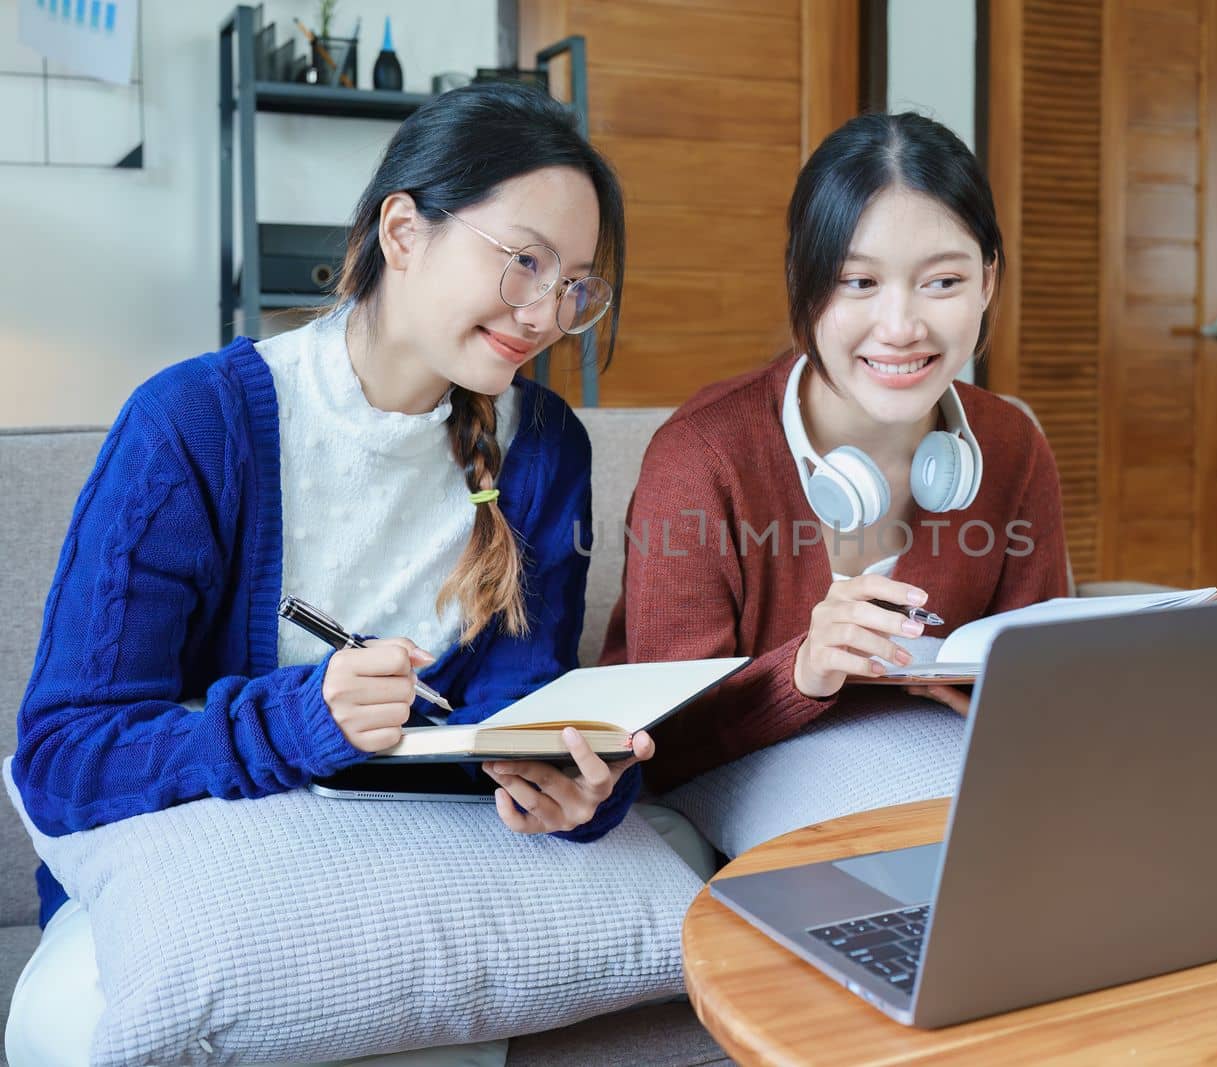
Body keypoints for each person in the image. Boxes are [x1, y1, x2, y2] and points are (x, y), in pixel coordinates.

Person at [7, 83, 644, 1067]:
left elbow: (522, 685)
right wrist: (302, 717)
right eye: (523, 260)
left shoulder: (541, 444)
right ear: (403, 230)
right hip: (206, 874)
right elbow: (66, 754)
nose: (546, 311)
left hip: (414, 877)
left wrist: (568, 777)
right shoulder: (195, 423)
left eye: (573, 285)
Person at [601, 112, 1067, 806]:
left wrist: (1018, 704)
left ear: (988, 282)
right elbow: (658, 749)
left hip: (946, 770)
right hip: (746, 765)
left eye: (943, 282)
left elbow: (1042, 676)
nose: (903, 327)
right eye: (858, 282)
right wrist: (804, 671)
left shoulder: (1010, 445)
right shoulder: (704, 455)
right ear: (805, 281)